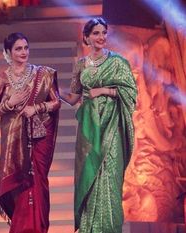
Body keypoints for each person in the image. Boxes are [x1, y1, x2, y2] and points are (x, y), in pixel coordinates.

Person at [59, 17, 137, 233]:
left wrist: (103, 91)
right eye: (96, 33)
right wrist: (53, 91)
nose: (101, 37)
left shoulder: (118, 62)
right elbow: (74, 98)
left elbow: (131, 93)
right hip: (88, 128)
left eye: (104, 32)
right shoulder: (81, 64)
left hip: (111, 127)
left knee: (109, 176)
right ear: (86, 37)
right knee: (89, 178)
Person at [0, 32, 60, 233]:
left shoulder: (42, 74)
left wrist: (36, 109)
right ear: (8, 53)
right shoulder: (2, 78)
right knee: (20, 185)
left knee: (37, 180)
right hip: (14, 141)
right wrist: (9, 104)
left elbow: (56, 102)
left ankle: (37, 228)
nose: (23, 52)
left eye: (26, 47)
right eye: (18, 49)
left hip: (38, 137)